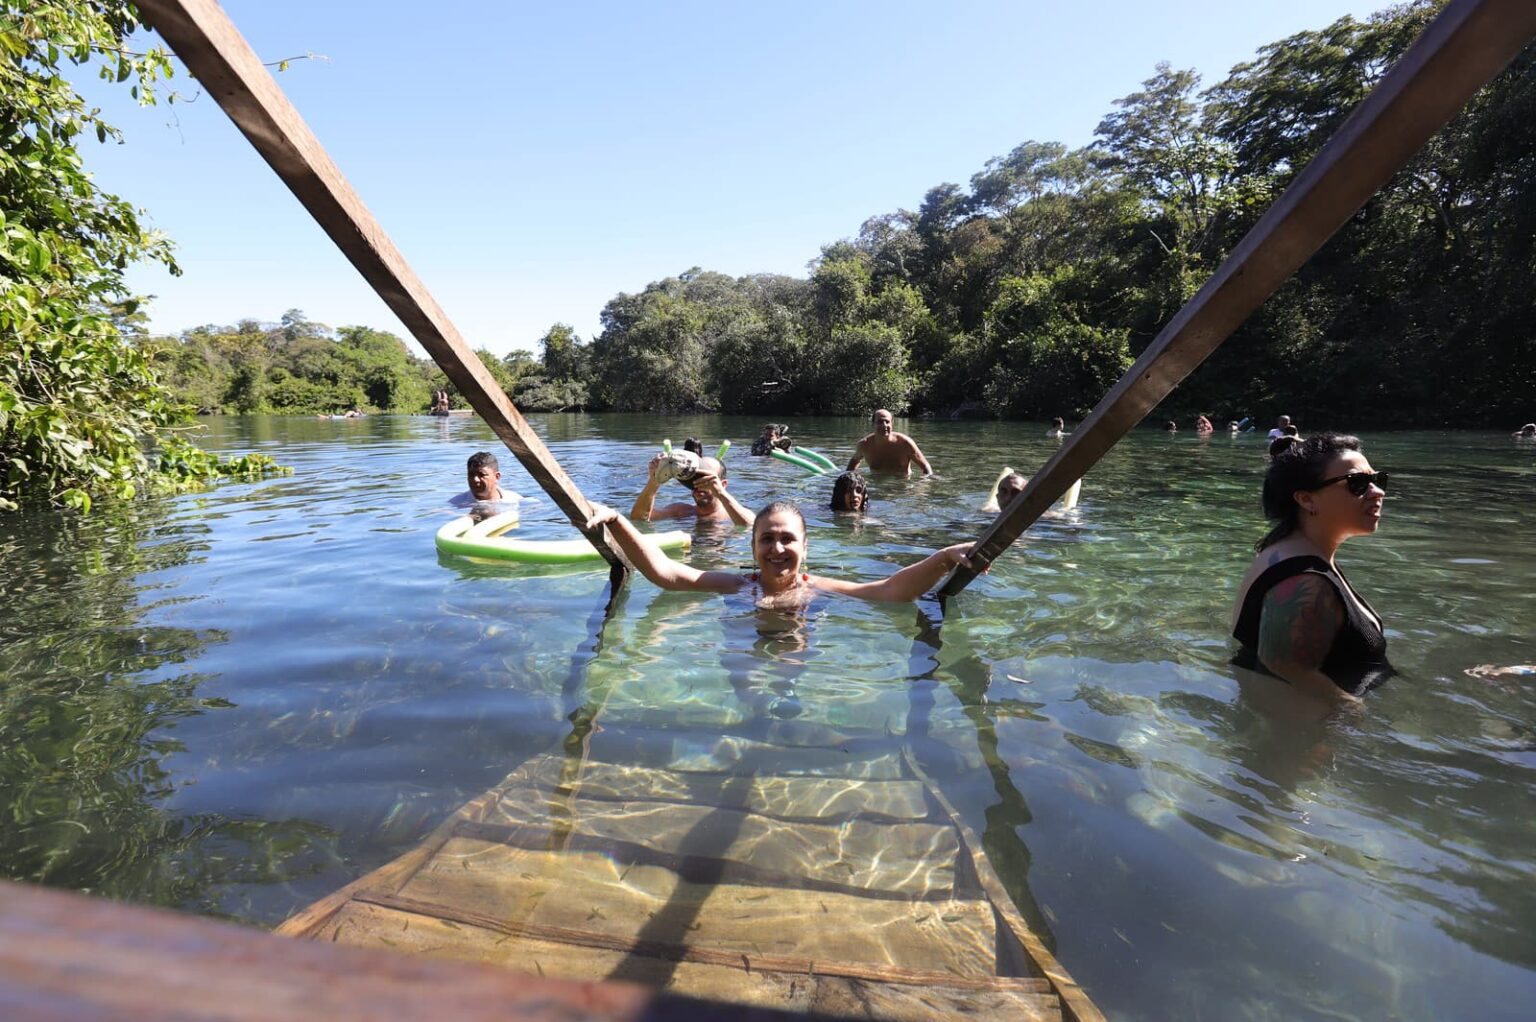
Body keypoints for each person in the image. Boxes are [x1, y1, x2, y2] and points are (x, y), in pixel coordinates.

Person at [1231, 433, 1392, 707]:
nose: (1378, 492)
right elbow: (1286, 670)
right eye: (1358, 483)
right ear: (1307, 500)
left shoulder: (1285, 551)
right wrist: (1350, 708)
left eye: (1377, 480)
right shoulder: (1306, 579)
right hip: (1311, 737)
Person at [584, 500, 975, 609]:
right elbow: (666, 574)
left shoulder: (816, 588)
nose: (777, 548)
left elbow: (889, 591)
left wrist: (943, 557)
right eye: (766, 539)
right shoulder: (736, 585)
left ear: (806, 547)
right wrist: (618, 520)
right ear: (753, 547)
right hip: (741, 667)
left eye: (788, 539)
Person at [630, 453, 752, 525]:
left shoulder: (731, 515)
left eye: (706, 478)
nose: (700, 483)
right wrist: (654, 481)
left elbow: (750, 525)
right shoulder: (682, 511)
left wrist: (720, 493)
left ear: (723, 484)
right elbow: (639, 519)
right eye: (695, 477)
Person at [847, 409, 932, 476]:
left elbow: (925, 466)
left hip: (902, 490)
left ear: (892, 424)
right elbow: (854, 461)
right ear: (873, 424)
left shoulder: (905, 443)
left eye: (887, 422)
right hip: (876, 488)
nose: (884, 425)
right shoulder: (864, 445)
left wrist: (924, 485)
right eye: (880, 422)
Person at [981, 468, 1081, 513]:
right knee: (989, 505)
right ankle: (1008, 471)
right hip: (992, 509)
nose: (1008, 498)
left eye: (1016, 493)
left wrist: (1071, 516)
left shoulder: (1046, 518)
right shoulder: (989, 512)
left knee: (1068, 509)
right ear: (997, 497)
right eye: (1003, 492)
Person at [450, 451, 518, 508]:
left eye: (481, 475)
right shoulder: (456, 504)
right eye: (471, 475)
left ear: (497, 477)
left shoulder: (514, 500)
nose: (475, 479)